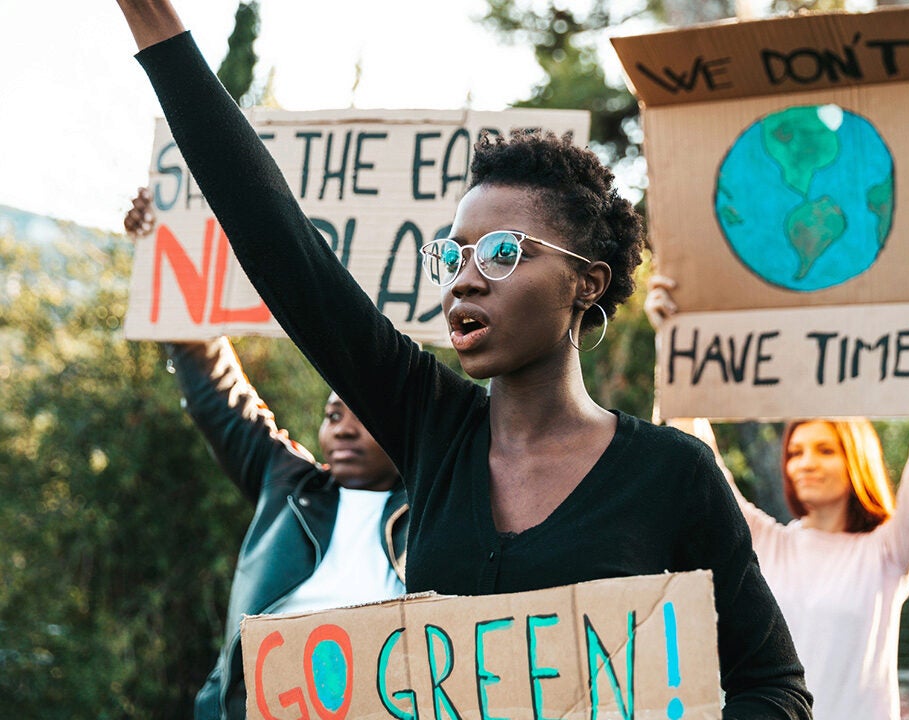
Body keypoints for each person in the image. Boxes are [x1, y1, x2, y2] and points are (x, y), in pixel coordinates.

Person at [111, 3, 811, 717]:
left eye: (504, 253)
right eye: (453, 255)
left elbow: (775, 688)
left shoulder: (672, 475)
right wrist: (155, 23)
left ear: (587, 284)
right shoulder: (429, 426)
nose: (465, 279)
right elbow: (279, 240)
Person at [644, 262, 909, 720]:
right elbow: (701, 458)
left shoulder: (890, 552)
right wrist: (673, 341)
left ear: (856, 462)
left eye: (824, 450)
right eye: (796, 452)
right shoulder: (764, 542)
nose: (805, 463)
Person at [125, 195, 408, 720]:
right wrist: (163, 247)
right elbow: (219, 392)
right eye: (331, 413)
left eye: (359, 413)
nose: (341, 426)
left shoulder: (439, 507)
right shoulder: (286, 481)